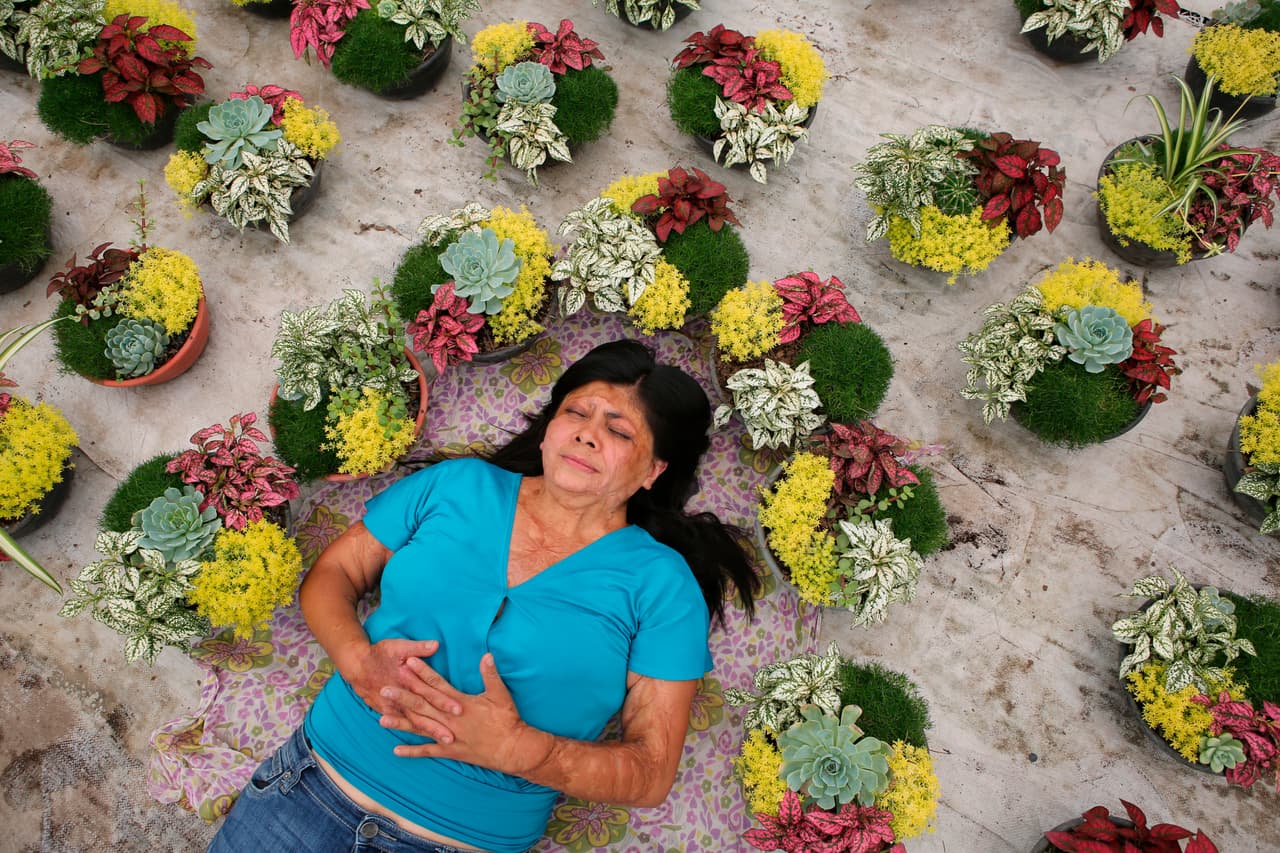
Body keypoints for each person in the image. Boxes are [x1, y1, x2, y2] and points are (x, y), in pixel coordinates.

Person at [208, 339, 762, 853]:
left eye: (619, 432)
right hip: (303, 790)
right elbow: (334, 574)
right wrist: (359, 663)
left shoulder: (664, 586)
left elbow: (650, 771)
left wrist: (522, 750)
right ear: (548, 429)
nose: (588, 434)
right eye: (576, 412)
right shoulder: (457, 485)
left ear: (654, 470)